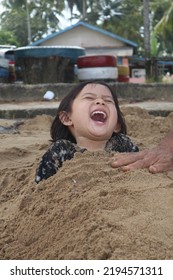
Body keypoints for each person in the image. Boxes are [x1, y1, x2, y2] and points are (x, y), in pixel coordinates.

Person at [35, 80, 139, 183]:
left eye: (108, 100)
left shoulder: (122, 144)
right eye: (89, 97)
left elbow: (141, 166)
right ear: (67, 118)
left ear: (117, 125)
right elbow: (41, 186)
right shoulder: (61, 150)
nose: (100, 101)